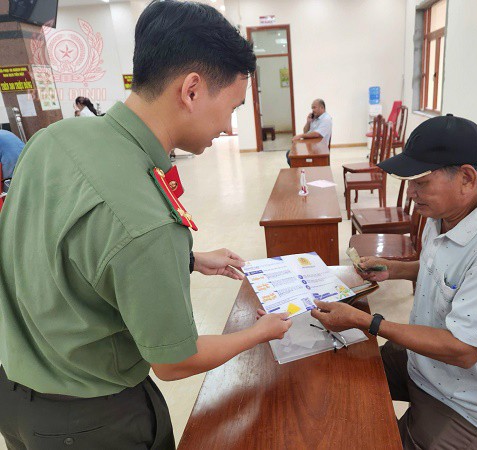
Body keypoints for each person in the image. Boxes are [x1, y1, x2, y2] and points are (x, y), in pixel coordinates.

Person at [0, 2, 290, 449]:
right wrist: (260, 332)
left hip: (15, 397)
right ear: (192, 90)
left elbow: (68, 248)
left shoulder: (52, 139)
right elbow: (175, 362)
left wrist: (187, 259)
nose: (229, 128)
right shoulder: (146, 220)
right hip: (92, 422)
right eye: (230, 107)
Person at [311, 114, 477, 449]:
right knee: (338, 375)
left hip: (466, 400)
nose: (411, 192)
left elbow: (463, 350)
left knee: (376, 434)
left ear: (466, 177)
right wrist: (396, 269)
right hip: (424, 362)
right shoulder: (446, 214)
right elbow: (446, 270)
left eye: (421, 182)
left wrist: (367, 321)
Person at [286, 98, 332, 165]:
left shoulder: (326, 119)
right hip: (311, 145)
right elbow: (305, 131)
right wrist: (308, 122)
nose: (312, 110)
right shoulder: (315, 118)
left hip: (319, 149)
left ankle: (300, 171)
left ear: (322, 107)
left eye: (314, 107)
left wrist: (300, 136)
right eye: (312, 108)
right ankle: (298, 171)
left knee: (292, 155)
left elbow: (317, 134)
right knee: (290, 153)